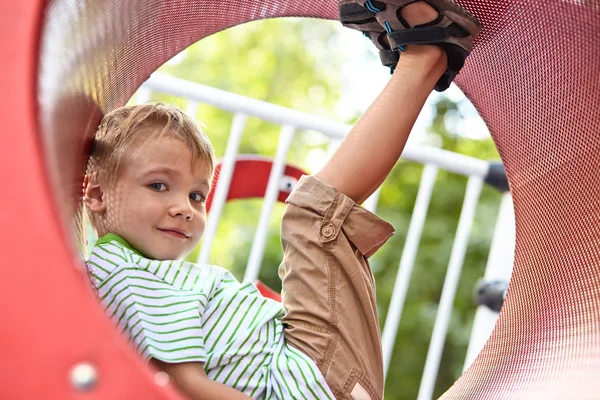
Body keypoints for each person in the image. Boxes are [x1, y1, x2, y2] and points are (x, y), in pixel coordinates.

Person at [82, 1, 480, 399]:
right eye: (157, 186)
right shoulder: (123, 275)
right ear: (97, 194)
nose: (184, 208)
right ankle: (425, 55)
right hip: (311, 386)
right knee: (311, 214)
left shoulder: (141, 272)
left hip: (299, 369)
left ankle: (417, 65)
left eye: (197, 195)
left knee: (313, 215)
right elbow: (185, 385)